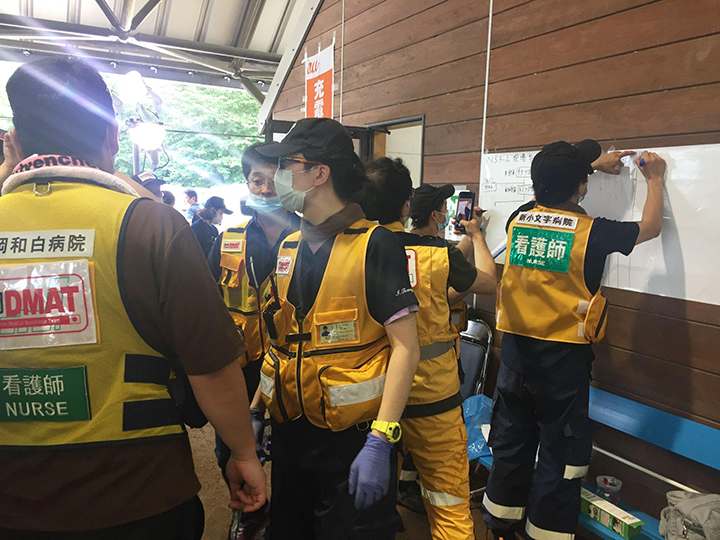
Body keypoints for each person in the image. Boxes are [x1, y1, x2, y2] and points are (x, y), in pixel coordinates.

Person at [0, 56, 266, 539]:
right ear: (113, 137)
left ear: (14, 140)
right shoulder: (151, 225)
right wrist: (244, 453)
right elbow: (212, 367)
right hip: (141, 495)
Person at [482, 140, 665, 540]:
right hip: (562, 368)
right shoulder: (593, 233)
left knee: (511, 447)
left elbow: (554, 191)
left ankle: (498, 528)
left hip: (513, 360)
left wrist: (589, 167)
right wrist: (655, 178)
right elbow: (650, 227)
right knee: (559, 456)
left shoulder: (519, 218)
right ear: (580, 187)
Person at [254, 118, 421, 539]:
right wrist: (256, 409)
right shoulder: (288, 246)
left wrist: (382, 440)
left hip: (352, 446)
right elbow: (285, 339)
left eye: (286, 165)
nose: (277, 177)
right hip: (291, 442)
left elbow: (406, 349)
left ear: (319, 174)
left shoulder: (376, 245)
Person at [363, 158, 497, 540]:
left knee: (367, 497)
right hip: (430, 394)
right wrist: (480, 236)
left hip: (370, 392)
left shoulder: (353, 250)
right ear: (405, 207)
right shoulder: (438, 255)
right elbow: (487, 283)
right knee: (448, 500)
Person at [207, 141, 300, 539]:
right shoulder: (228, 239)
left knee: (293, 451)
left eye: (271, 181)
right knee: (232, 448)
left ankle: (289, 518)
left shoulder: (313, 238)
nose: (262, 191)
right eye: (255, 181)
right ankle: (250, 513)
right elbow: (207, 301)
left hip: (294, 366)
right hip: (241, 368)